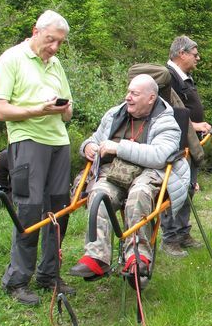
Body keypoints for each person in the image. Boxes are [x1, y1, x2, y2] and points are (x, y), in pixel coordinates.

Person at [0, 10, 74, 305]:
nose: (54, 47)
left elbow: (69, 110)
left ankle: (49, 275)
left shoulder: (56, 63)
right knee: (28, 210)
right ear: (35, 31)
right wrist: (36, 110)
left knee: (59, 210)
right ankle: (17, 280)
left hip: (58, 141)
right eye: (50, 40)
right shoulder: (11, 59)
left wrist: (63, 108)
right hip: (27, 141)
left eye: (59, 43)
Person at [69, 75, 189, 279]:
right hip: (115, 172)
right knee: (99, 193)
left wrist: (119, 147)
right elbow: (95, 138)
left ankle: (138, 257)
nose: (128, 97)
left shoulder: (166, 121)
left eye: (134, 94)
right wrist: (87, 147)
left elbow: (160, 156)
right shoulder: (114, 114)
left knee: (139, 194)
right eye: (128, 92)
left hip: (151, 172)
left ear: (151, 98)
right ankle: (97, 257)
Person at [160, 35, 212, 258]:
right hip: (175, 145)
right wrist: (194, 124)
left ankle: (183, 233)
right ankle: (170, 238)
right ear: (181, 54)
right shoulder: (166, 77)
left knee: (188, 187)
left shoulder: (182, 77)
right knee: (173, 190)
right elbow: (167, 111)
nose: (198, 58)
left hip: (188, 144)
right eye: (194, 53)